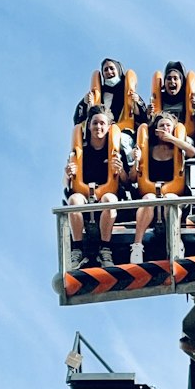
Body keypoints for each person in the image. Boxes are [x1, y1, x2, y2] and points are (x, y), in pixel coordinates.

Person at [129, 111, 195, 264]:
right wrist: (136, 161)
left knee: (171, 200)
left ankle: (176, 242)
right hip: (151, 194)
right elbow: (132, 177)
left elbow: (192, 152)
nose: (165, 128)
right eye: (162, 126)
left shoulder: (178, 147)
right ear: (156, 130)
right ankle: (137, 245)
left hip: (173, 194)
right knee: (148, 199)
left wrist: (173, 139)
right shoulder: (149, 148)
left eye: (168, 126)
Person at [63, 106, 125, 270]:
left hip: (106, 197)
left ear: (109, 127)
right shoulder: (79, 150)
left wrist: (120, 170)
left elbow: (126, 179)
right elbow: (66, 183)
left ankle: (105, 249)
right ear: (89, 126)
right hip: (84, 196)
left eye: (102, 124)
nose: (98, 127)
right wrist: (68, 173)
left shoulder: (115, 150)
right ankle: (77, 249)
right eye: (95, 123)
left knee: (109, 200)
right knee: (74, 200)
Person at [73, 58, 144, 167]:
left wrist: (136, 102)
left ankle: (129, 167)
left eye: (112, 68)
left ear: (118, 70)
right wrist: (86, 103)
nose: (109, 72)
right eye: (105, 70)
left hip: (123, 130)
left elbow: (143, 117)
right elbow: (78, 118)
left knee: (123, 141)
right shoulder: (98, 93)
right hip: (100, 131)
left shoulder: (128, 91)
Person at [153, 60, 195, 150]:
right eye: (169, 78)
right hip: (162, 140)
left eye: (175, 78)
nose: (172, 81)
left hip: (184, 138)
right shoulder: (159, 99)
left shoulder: (188, 100)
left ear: (181, 81)